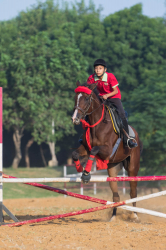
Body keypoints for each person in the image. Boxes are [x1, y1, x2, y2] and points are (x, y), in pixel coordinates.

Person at [87, 58, 137, 149]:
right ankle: (85, 137)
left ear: (105, 70)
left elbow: (115, 91)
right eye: (96, 68)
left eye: (100, 68)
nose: (98, 70)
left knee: (122, 115)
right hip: (100, 98)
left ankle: (128, 139)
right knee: (88, 112)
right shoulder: (91, 78)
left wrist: (107, 95)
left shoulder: (110, 77)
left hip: (114, 97)